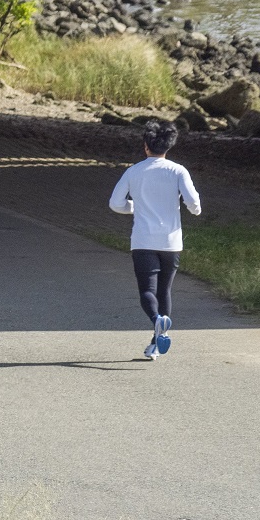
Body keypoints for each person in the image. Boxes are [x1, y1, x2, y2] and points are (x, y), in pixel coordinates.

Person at [109, 119, 202, 360]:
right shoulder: (178, 170)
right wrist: (195, 209)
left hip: (143, 240)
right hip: (171, 242)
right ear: (168, 147)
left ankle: (156, 321)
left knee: (146, 292)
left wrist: (135, 207)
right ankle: (155, 343)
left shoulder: (134, 171)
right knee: (165, 291)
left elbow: (115, 204)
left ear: (145, 146)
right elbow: (193, 203)